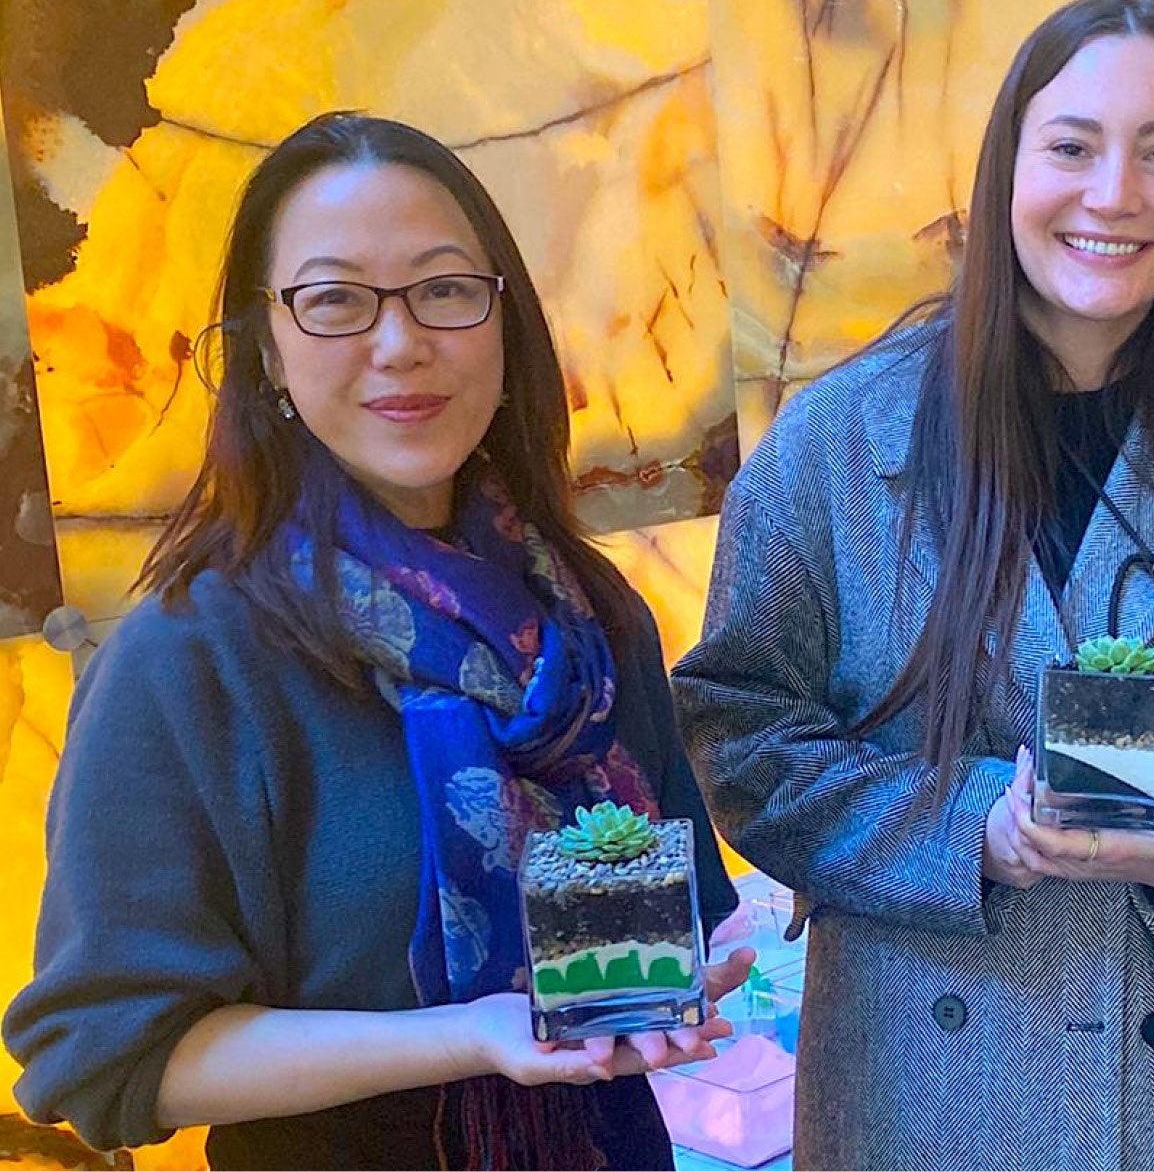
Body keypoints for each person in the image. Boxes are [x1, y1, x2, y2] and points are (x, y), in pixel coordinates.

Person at [673, 0, 1154, 1171]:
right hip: (930, 1092)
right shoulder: (836, 452)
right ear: (1006, 166)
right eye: (1071, 147)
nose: (1113, 194)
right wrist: (978, 832)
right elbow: (743, 738)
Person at [3, 113, 751, 1170]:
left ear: (503, 326)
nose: (400, 342)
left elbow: (681, 903)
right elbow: (105, 1057)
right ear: (266, 345)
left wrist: (678, 980)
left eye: (444, 289)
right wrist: (468, 1036)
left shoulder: (588, 621)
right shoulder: (193, 659)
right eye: (336, 299)